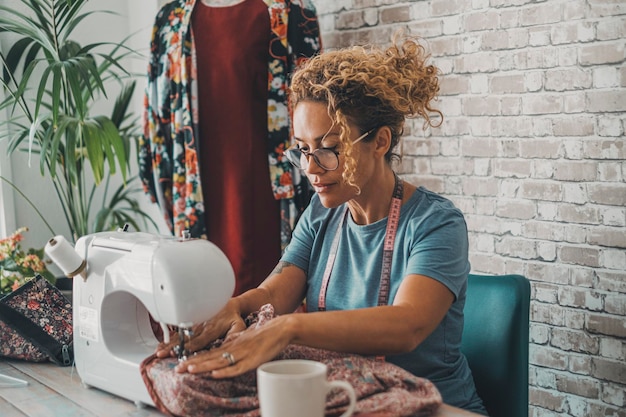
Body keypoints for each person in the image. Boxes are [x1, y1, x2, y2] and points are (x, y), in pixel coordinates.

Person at [156, 36, 487, 414]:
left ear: (380, 141)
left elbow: (407, 325)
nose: (311, 168)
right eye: (303, 149)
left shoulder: (436, 223)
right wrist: (234, 307)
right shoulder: (321, 212)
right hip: (349, 400)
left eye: (329, 148)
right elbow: (277, 291)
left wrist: (288, 329)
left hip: (436, 407)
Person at [139, 0, 320, 295]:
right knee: (201, 299)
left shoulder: (290, 11)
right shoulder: (170, 19)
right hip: (193, 187)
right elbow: (156, 113)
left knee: (267, 296)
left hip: (267, 189)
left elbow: (316, 105)